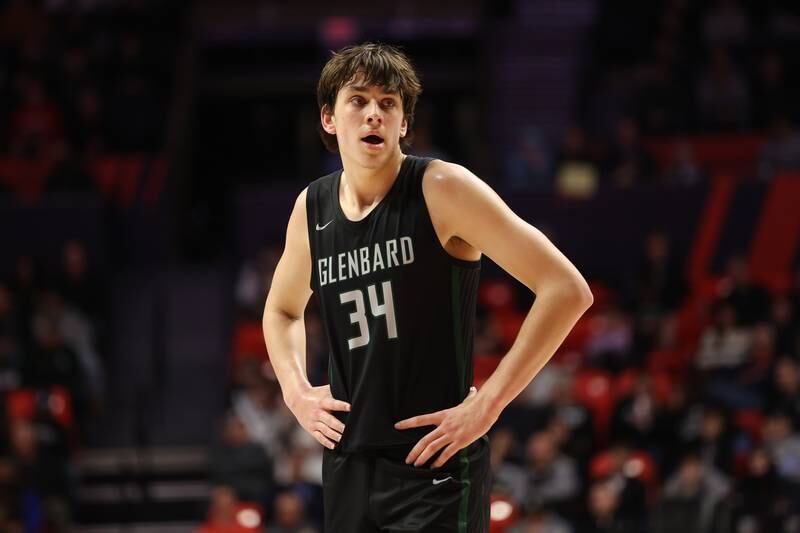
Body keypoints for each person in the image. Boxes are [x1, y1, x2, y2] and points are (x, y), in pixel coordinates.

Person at [263, 42, 593, 532]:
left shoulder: (442, 188)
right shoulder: (311, 209)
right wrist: (295, 390)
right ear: (329, 119)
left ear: (404, 124)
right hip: (348, 462)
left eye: (388, 103)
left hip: (434, 464)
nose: (374, 113)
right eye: (358, 100)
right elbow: (282, 311)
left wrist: (489, 405)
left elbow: (567, 289)